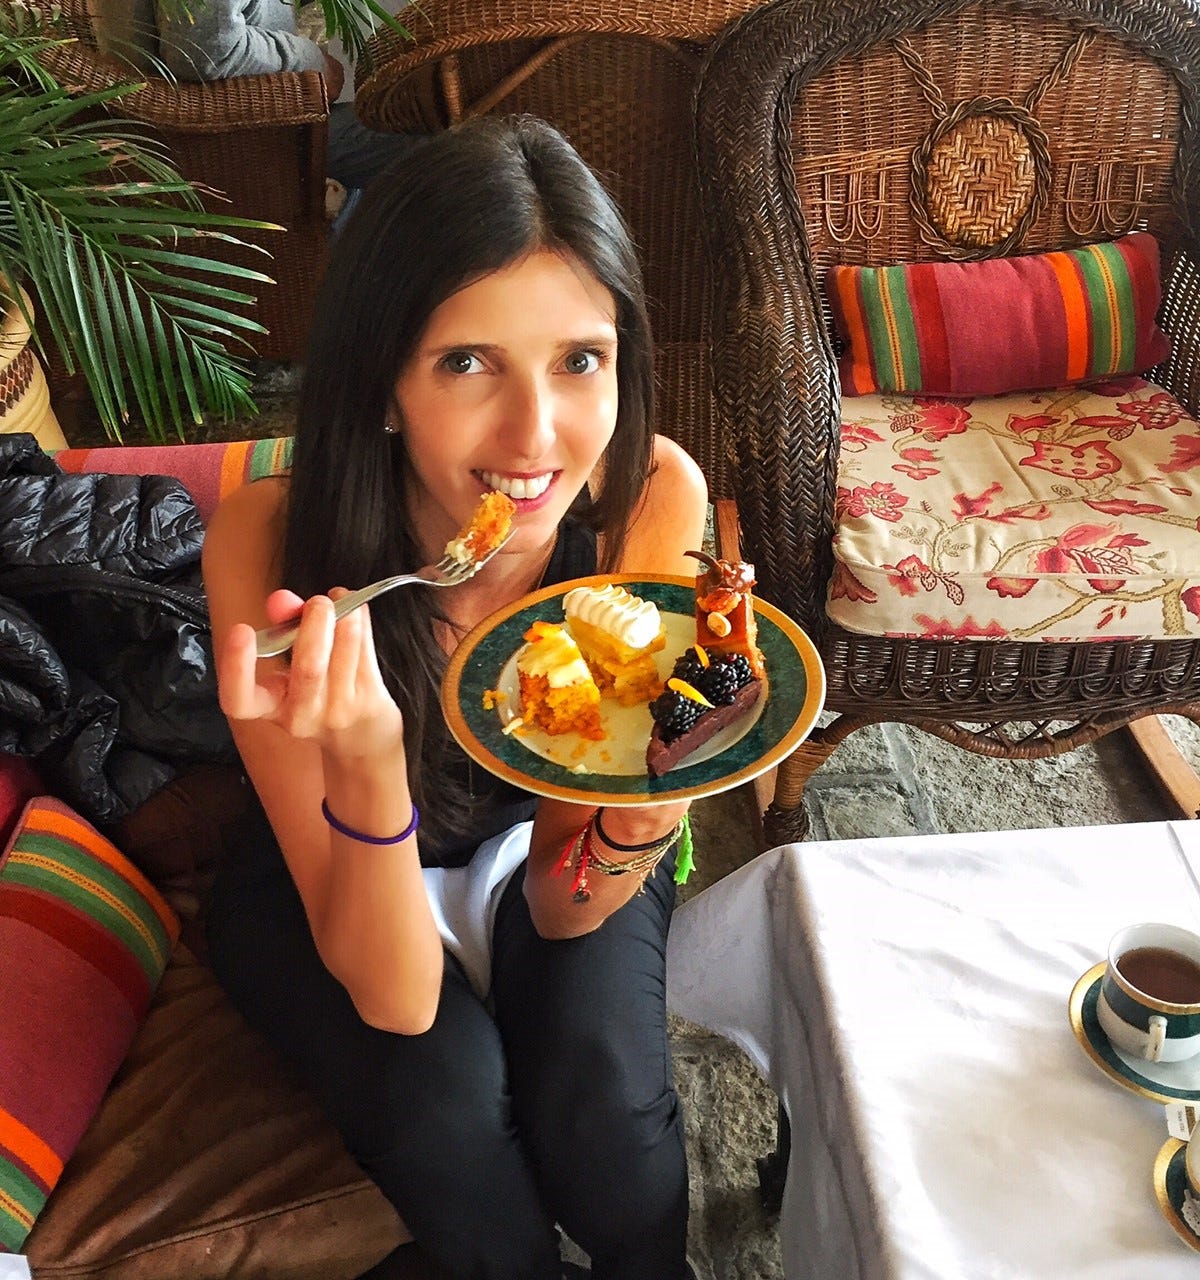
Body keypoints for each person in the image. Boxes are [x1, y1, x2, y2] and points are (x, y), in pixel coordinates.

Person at [201, 115, 708, 1280]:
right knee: (447, 1114)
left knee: (615, 1137)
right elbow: (391, 995)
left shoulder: (643, 504)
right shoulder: (270, 544)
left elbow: (569, 905)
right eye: (468, 362)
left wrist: (656, 798)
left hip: (544, 836)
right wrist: (367, 757)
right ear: (384, 381)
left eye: (579, 360)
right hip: (333, 864)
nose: (536, 437)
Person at [154, 0, 415, 193]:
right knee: (429, 131)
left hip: (264, 117)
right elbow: (204, 52)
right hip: (228, 136)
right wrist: (311, 63)